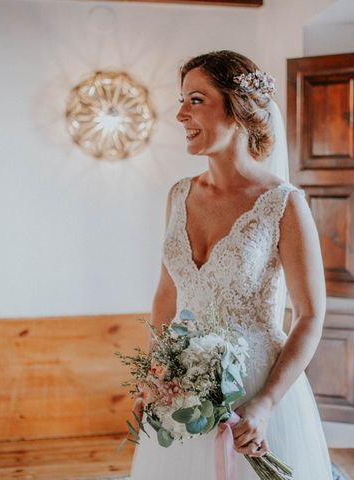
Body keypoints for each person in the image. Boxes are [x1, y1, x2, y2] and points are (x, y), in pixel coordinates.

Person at [128, 50, 333, 479]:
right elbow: (167, 296)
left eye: (196, 100)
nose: (181, 113)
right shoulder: (178, 195)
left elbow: (310, 315)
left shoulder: (283, 204)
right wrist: (154, 375)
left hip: (257, 387)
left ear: (237, 108)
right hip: (182, 388)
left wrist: (267, 402)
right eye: (181, 100)